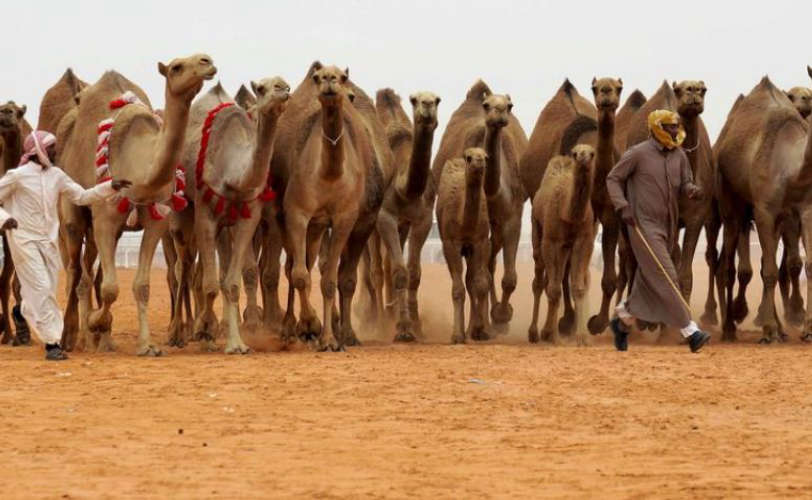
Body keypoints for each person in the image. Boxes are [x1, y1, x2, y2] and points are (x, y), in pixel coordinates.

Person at [0, 131, 130, 360]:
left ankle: (23, 311)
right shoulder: (17, 176)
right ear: (37, 150)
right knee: (41, 287)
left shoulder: (57, 176)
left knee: (47, 288)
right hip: (23, 238)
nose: (55, 151)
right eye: (51, 147)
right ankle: (53, 344)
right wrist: (4, 219)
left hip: (48, 240)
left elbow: (81, 196)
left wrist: (111, 186)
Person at [605, 110, 711, 353]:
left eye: (676, 126)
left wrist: (692, 190)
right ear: (655, 128)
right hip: (642, 225)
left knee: (648, 281)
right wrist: (622, 207)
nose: (675, 131)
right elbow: (613, 178)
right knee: (666, 273)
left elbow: (685, 182)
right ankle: (691, 331)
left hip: (668, 225)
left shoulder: (680, 155)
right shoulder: (637, 153)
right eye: (669, 127)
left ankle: (622, 320)